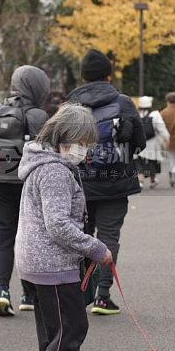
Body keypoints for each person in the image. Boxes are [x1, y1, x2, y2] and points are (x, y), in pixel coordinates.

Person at [15, 104, 114, 351]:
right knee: (71, 329)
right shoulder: (55, 170)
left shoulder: (41, 163)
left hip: (36, 262)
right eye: (82, 141)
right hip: (52, 265)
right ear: (64, 137)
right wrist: (96, 248)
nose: (84, 150)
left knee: (55, 333)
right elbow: (58, 224)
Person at [66, 49, 145, 315]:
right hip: (115, 182)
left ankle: (78, 295)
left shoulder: (70, 105)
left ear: (84, 78)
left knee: (82, 237)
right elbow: (141, 144)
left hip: (80, 185)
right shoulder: (123, 102)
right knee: (109, 238)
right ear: (109, 75)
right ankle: (102, 297)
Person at [0, 65, 50, 316]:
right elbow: (48, 153)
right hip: (28, 185)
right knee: (29, 237)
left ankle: (2, 291)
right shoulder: (38, 115)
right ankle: (28, 293)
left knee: (3, 239)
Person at [135, 96, 169, 189]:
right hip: (152, 143)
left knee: (139, 163)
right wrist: (167, 137)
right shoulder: (155, 114)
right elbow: (161, 127)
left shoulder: (137, 113)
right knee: (152, 162)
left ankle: (140, 181)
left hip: (138, 142)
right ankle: (153, 180)